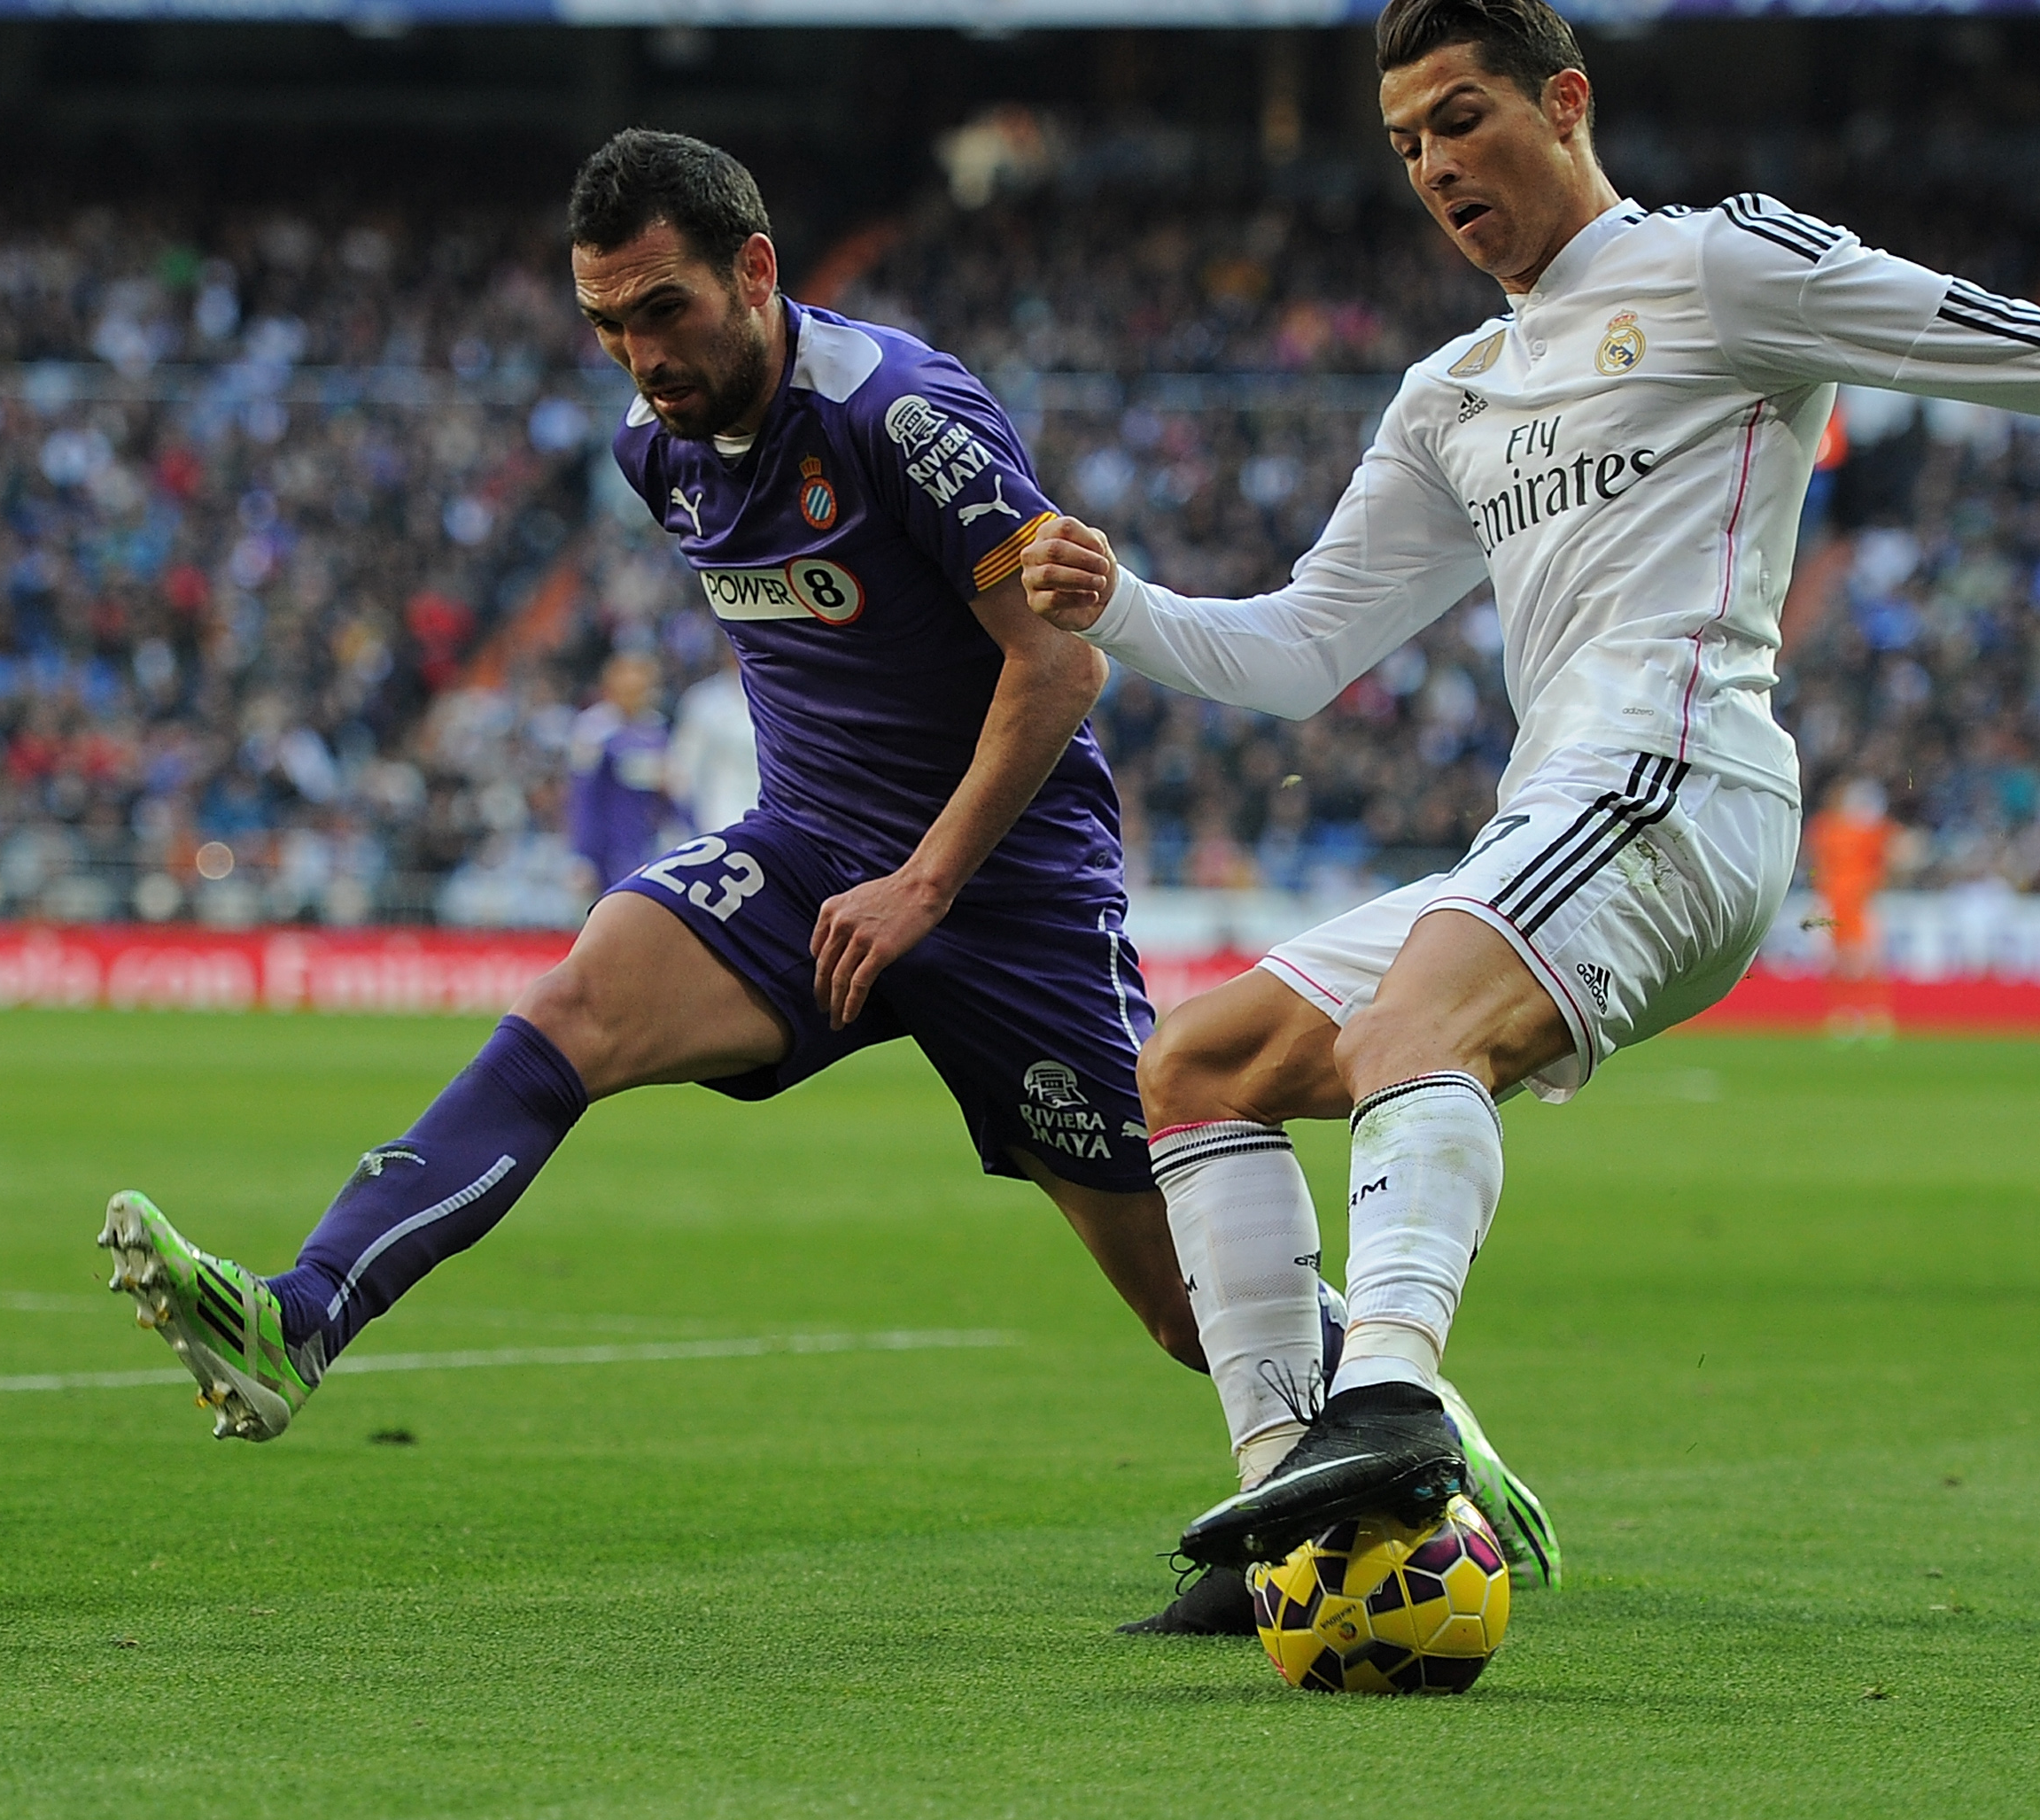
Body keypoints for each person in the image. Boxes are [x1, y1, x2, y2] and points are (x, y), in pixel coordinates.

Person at [1020, 0, 2040, 1572]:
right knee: (1196, 1066)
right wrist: (1124, 605)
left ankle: (1396, 1399)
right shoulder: (1451, 394)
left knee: (1415, 1019)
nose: (1432, 167)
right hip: (1558, 810)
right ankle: (1290, 1508)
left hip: (1683, 777)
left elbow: (2014, 343)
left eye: (1462, 118)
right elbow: (1300, 652)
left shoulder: (1718, 265)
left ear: (1565, 103)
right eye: (1408, 140)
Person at [97, 128, 1541, 1644]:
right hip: (803, 865)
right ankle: (301, 1314)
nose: (640, 357)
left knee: (1190, 1305)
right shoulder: (654, 454)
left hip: (1009, 901)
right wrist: (852, 859)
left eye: (663, 310)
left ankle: (1428, 1439)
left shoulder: (902, 416)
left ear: (757, 271)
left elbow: (1061, 667)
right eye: (607, 325)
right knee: (579, 1001)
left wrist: (924, 882)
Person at [568, 650, 678, 894]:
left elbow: (669, 794)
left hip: (646, 842)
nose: (637, 696)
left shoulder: (656, 730)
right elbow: (583, 796)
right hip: (605, 845)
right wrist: (582, 855)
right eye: (629, 689)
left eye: (643, 689)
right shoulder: (594, 731)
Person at [1805, 776, 1903, 1042]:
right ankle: (1843, 1014)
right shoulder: (1826, 827)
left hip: (1860, 902)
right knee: (1836, 959)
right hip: (1833, 902)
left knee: (1868, 958)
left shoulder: (1871, 831)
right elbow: (1818, 862)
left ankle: (1874, 1013)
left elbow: (1891, 853)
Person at [667, 641, 762, 836]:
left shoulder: (781, 699)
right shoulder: (704, 701)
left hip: (771, 823)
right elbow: (682, 770)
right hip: (717, 822)